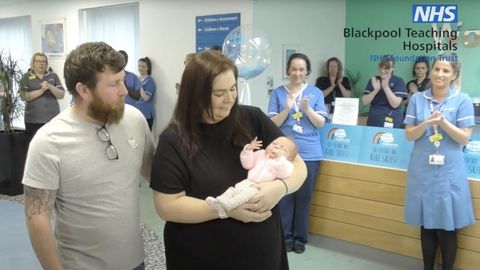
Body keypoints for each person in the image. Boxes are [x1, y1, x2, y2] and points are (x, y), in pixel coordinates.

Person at [150, 50, 307, 270]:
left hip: (261, 252)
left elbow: (298, 165)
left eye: (233, 88)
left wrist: (280, 188)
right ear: (196, 94)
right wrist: (223, 209)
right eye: (219, 93)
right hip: (203, 254)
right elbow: (167, 206)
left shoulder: (252, 119)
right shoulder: (174, 140)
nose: (230, 99)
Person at [22, 41, 155, 270]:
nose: (124, 90)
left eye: (122, 79)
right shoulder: (49, 142)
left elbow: (158, 176)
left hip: (135, 262)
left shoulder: (134, 120)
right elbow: (38, 218)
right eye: (114, 84)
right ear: (83, 90)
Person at [404, 54, 475, 270]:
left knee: (447, 225)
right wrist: (426, 123)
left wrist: (442, 122)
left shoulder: (462, 100)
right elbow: (409, 135)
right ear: (431, 71)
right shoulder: (417, 99)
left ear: (454, 75)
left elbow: (464, 137)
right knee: (426, 225)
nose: (440, 74)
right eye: (437, 69)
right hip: (422, 169)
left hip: (449, 172)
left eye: (446, 71)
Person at [267, 52, 327, 254]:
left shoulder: (316, 93)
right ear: (288, 70)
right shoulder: (277, 93)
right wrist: (287, 108)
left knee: (303, 197)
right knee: (284, 196)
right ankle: (285, 237)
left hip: (309, 153)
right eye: (294, 69)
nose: (297, 73)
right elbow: (272, 124)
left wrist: (307, 109)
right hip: (283, 154)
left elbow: (320, 123)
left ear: (307, 71)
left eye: (301, 69)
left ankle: (300, 238)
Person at [206, 136, 297, 211]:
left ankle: (230, 205)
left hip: (261, 187)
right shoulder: (261, 154)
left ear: (289, 158)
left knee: (245, 195)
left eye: (283, 148)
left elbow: (284, 174)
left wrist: (280, 159)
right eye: (274, 144)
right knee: (234, 189)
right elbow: (247, 164)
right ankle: (219, 201)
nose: (276, 147)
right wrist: (248, 150)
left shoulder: (286, 164)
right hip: (248, 181)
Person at [20, 52, 65, 136]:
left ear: (46, 63)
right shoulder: (26, 77)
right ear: (33, 63)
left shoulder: (53, 76)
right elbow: (23, 96)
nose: (41, 63)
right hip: (33, 120)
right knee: (33, 144)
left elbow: (61, 95)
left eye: (43, 61)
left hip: (53, 119)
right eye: (38, 61)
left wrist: (50, 86)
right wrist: (41, 91)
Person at [362, 55, 407, 128]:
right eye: (381, 67)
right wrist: (376, 90)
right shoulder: (374, 80)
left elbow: (395, 104)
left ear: (392, 68)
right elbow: (364, 101)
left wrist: (386, 87)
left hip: (393, 123)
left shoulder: (399, 81)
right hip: (373, 123)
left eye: (387, 68)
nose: (382, 70)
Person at [137, 57, 156, 130]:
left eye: (143, 66)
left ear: (148, 68)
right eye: (139, 66)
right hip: (138, 114)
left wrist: (139, 85)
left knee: (145, 139)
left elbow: (146, 98)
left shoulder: (150, 81)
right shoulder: (137, 78)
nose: (140, 68)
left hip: (146, 115)